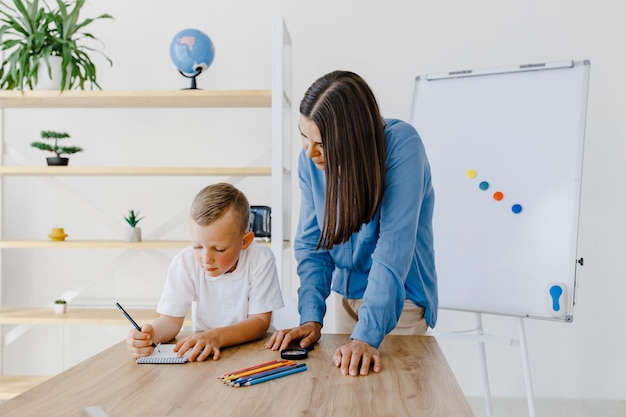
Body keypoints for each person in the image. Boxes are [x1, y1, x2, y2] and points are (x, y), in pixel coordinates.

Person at [265, 70, 438, 376]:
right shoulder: (310, 160)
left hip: (399, 303)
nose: (309, 151)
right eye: (304, 136)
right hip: (347, 299)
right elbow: (312, 244)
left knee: (394, 400)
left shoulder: (402, 146)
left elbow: (393, 247)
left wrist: (367, 336)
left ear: (352, 137)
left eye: (321, 142)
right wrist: (311, 317)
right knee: (348, 397)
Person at [127, 182, 284, 361]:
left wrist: (215, 337)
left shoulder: (260, 259)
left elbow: (260, 322)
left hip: (254, 353)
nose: (205, 258)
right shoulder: (184, 262)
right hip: (205, 353)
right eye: (197, 246)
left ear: (245, 241)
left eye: (218, 249)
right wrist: (151, 335)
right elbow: (171, 320)